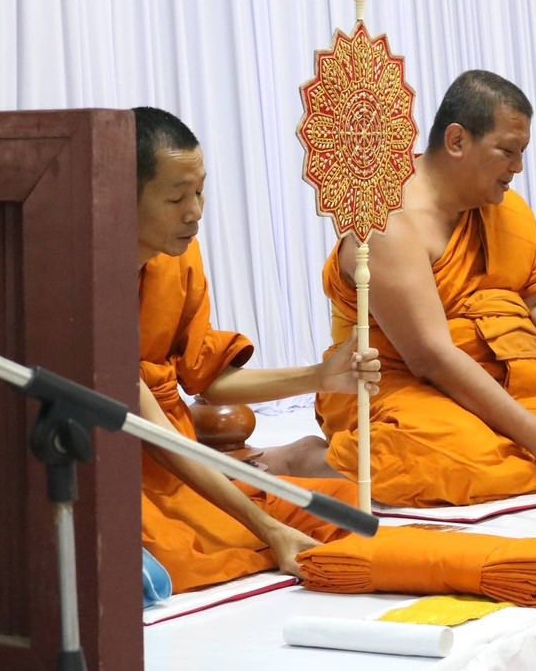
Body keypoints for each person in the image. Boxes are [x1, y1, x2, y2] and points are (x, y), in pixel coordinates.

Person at [312, 71, 536, 507]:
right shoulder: (388, 224)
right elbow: (431, 358)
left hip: (495, 375)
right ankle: (319, 461)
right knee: (460, 457)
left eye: (522, 153)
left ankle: (526, 447)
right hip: (398, 383)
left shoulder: (504, 211)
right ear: (456, 141)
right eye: (508, 152)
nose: (518, 168)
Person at [134, 106, 376, 590]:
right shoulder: (82, 272)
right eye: (177, 197)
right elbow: (154, 430)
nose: (195, 212)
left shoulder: (180, 260)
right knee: (185, 559)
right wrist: (265, 526)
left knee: (346, 504)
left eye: (200, 191)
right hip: (131, 462)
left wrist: (318, 376)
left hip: (184, 455)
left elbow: (208, 379)